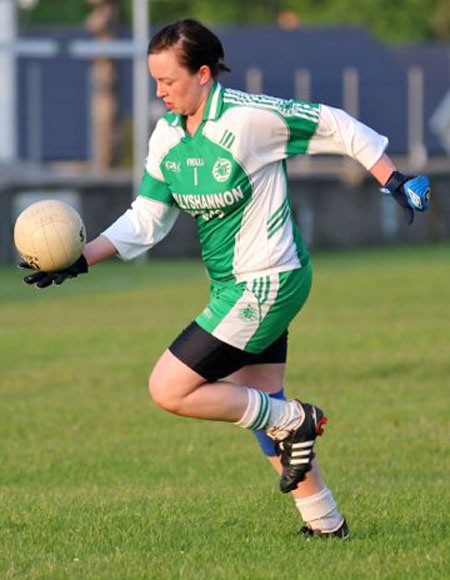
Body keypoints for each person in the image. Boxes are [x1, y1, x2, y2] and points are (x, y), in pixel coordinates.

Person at [21, 19, 431, 539]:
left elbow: (336, 123)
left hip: (270, 280)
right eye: (155, 82)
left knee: (170, 388)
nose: (160, 92)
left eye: (169, 81)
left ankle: (294, 419)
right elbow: (146, 218)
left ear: (204, 74)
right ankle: (326, 525)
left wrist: (391, 179)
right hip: (233, 287)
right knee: (260, 403)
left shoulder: (250, 118)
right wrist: (81, 260)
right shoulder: (168, 134)